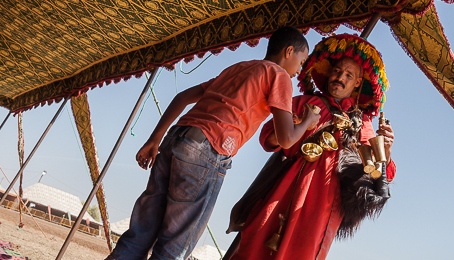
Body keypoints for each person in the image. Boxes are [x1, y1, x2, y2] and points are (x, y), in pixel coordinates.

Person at [107, 26, 321, 260]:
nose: (299, 71)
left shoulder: (239, 67)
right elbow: (286, 138)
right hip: (207, 149)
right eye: (302, 62)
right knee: (174, 245)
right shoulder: (279, 75)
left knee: (141, 231)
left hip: (175, 138)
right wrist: (308, 121)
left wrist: (154, 139)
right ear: (289, 51)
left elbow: (182, 97)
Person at [225, 34, 396, 260]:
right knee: (256, 243)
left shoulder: (361, 122)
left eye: (348, 75)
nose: (340, 78)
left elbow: (380, 171)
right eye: (337, 71)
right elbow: (268, 138)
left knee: (302, 252)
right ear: (328, 72)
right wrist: (297, 127)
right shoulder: (304, 101)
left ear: (357, 83)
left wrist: (386, 149)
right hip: (283, 187)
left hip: (325, 203)